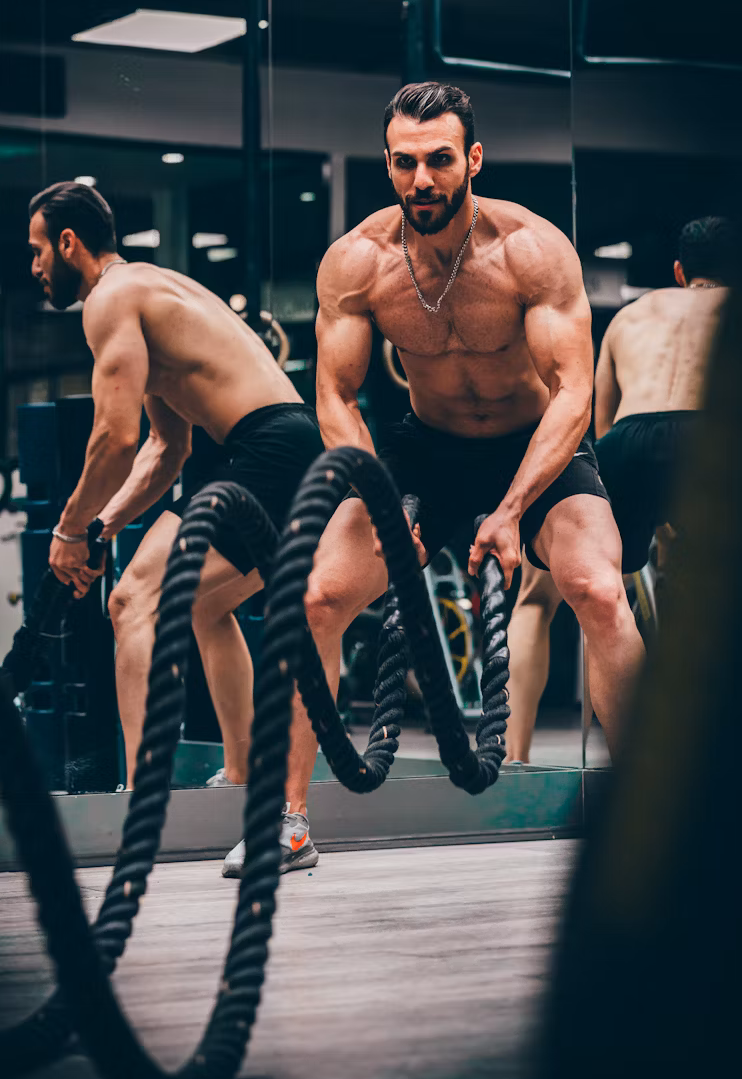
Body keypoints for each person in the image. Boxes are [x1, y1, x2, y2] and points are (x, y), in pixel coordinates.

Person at [225, 79, 645, 874]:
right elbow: (336, 398)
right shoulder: (357, 262)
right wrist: (380, 502)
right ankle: (284, 821)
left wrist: (515, 507)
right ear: (388, 164)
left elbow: (575, 393)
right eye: (405, 163)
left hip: (535, 448)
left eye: (441, 161)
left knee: (597, 587)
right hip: (422, 450)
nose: (423, 181)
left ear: (473, 159)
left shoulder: (532, 250)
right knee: (314, 598)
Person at [28, 181, 325, 870]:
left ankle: (142, 803)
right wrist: (102, 524)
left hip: (267, 449)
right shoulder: (150, 290)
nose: (36, 268)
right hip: (273, 444)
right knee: (202, 607)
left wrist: (69, 530)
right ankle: (246, 777)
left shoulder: (108, 301)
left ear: (70, 243)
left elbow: (113, 439)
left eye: (39, 251)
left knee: (136, 599)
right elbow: (167, 450)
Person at [503, 215, 734, 765]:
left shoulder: (632, 316)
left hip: (628, 437)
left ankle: (514, 758)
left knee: (538, 597)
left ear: (679, 271)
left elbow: (599, 422)